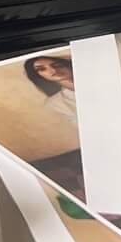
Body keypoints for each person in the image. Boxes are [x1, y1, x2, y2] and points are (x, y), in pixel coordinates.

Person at [22, 51, 86, 198]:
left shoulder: (98, 80)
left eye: (57, 65)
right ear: (39, 76)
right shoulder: (56, 103)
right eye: (42, 69)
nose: (52, 70)